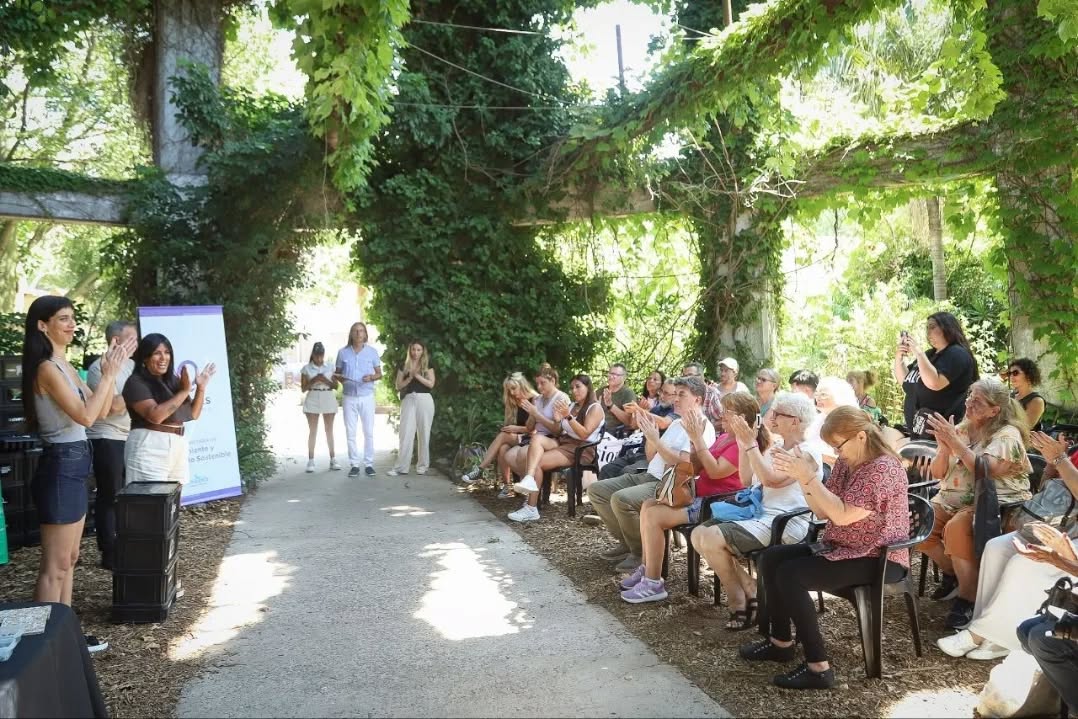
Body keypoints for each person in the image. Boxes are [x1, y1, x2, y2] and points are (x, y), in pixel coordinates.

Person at [739, 407, 910, 690]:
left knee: (791, 575)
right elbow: (821, 511)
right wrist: (805, 477)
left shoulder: (882, 468)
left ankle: (819, 667)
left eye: (838, 445)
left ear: (861, 436)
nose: (836, 452)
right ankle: (781, 643)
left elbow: (842, 515)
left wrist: (808, 478)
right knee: (771, 559)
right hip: (844, 546)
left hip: (878, 556)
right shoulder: (848, 461)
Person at [21, 296, 135, 655]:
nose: (71, 325)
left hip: (76, 461)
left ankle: (65, 635)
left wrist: (110, 378)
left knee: (69, 559)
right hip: (60, 464)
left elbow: (101, 410)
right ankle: (41, 648)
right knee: (54, 565)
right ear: (43, 325)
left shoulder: (65, 365)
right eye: (63, 319)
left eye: (72, 319)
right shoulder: (46, 369)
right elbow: (87, 416)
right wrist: (111, 376)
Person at [936, 431, 1078, 660]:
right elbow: (1051, 488)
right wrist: (1053, 463)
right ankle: (990, 632)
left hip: (1072, 539)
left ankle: (980, 635)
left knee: (1024, 561)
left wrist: (1061, 460)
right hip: (1062, 527)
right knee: (997, 547)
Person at [691, 391, 822, 629]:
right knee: (698, 534)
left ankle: (738, 603)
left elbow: (771, 480)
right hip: (762, 516)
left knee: (709, 537)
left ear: (795, 421)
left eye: (778, 414)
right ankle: (749, 588)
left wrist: (751, 445)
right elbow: (746, 480)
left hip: (788, 523)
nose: (772, 418)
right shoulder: (777, 447)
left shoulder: (809, 452)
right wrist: (743, 444)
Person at [920, 377, 1033, 629]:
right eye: (970, 395)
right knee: (915, 524)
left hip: (994, 502)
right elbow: (938, 473)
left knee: (957, 528)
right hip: (950, 499)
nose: (969, 403)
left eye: (978, 401)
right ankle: (955, 574)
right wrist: (942, 448)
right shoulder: (961, 428)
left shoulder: (1007, 434)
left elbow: (985, 469)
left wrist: (955, 443)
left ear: (995, 410)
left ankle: (968, 597)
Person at [618, 392, 752, 604]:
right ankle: (647, 568)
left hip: (716, 504)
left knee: (654, 516)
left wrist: (699, 439)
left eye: (728, 412)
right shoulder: (725, 437)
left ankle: (653, 583)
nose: (722, 416)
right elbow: (695, 466)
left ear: (742, 417)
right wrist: (692, 442)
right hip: (698, 495)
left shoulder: (740, 444)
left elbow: (716, 471)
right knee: (648, 505)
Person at [587, 376, 715, 572]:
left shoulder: (702, 427)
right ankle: (627, 543)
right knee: (597, 490)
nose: (676, 399)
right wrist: (650, 437)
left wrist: (658, 441)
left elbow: (684, 464)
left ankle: (639, 553)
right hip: (648, 474)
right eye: (676, 394)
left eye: (682, 395)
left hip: (668, 484)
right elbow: (651, 456)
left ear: (697, 399)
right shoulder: (676, 423)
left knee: (621, 499)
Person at [508, 373, 603, 522]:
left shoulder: (595, 408)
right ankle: (529, 481)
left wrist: (568, 416)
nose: (574, 390)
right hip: (564, 442)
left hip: (581, 449)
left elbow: (584, 434)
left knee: (537, 461)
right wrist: (559, 420)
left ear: (588, 387)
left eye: (578, 386)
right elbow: (559, 431)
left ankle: (531, 507)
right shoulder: (571, 406)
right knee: (537, 438)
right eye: (572, 387)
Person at [123, 333, 216, 484]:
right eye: (157, 353)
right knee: (149, 501)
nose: (163, 358)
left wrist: (201, 388)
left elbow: (193, 413)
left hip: (177, 444)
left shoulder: (172, 381)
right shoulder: (136, 382)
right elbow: (155, 416)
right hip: (149, 446)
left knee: (172, 503)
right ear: (145, 358)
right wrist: (184, 391)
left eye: (167, 353)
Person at [85, 320, 137, 570]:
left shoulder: (133, 367)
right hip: (106, 438)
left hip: (129, 438)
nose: (135, 345)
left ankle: (127, 546)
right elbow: (111, 408)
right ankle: (109, 553)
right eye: (130, 339)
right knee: (110, 495)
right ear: (115, 341)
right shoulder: (100, 369)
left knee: (128, 495)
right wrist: (139, 389)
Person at [894, 311, 978, 439]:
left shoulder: (957, 353)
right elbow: (906, 382)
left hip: (940, 433)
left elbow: (934, 383)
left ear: (947, 327)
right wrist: (899, 357)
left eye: (932, 327)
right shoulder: (929, 354)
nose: (928, 331)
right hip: (917, 429)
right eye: (927, 327)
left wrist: (918, 352)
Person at [460, 372, 539, 498]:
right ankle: (507, 486)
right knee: (502, 448)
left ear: (522, 384)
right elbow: (509, 424)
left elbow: (534, 429)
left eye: (514, 388)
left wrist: (515, 428)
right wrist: (509, 427)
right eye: (509, 390)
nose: (512, 393)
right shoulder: (512, 401)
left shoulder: (534, 399)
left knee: (503, 436)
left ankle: (480, 469)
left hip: (534, 438)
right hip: (518, 438)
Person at [502, 363, 569, 492]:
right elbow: (529, 427)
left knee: (523, 453)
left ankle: (532, 487)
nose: (539, 387)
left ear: (553, 381)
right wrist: (532, 415)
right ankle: (532, 485)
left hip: (555, 439)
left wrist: (536, 414)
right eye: (537, 383)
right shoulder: (537, 399)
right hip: (537, 438)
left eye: (542, 383)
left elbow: (557, 430)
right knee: (509, 455)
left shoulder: (561, 398)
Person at [334, 322, 383, 477]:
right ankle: (354, 464)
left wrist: (371, 377)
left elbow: (379, 373)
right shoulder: (342, 353)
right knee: (351, 432)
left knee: (368, 431)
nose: (358, 333)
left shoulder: (372, 352)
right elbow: (337, 374)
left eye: (361, 331)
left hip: (367, 396)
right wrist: (343, 379)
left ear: (365, 334)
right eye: (355, 331)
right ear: (351, 334)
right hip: (349, 397)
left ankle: (368, 464)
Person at [389, 341, 436, 477]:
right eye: (413, 349)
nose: (415, 352)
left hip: (425, 399)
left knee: (424, 433)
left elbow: (431, 384)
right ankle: (401, 467)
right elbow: (398, 385)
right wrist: (409, 377)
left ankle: (422, 466)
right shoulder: (403, 365)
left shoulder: (427, 365)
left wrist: (417, 376)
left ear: (423, 351)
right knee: (405, 433)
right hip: (409, 399)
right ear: (409, 351)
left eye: (418, 350)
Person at [300, 342, 340, 473]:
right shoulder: (306, 368)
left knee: (329, 430)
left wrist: (324, 379)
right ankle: (311, 461)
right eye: (317, 356)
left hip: (327, 396)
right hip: (313, 397)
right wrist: (314, 380)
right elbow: (303, 388)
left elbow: (336, 386)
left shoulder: (330, 367)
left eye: (321, 355)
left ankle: (333, 459)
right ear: (313, 355)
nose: (319, 358)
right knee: (313, 430)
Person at [1006, 358, 1045, 432]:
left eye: (1015, 373)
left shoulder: (1037, 401)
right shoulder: (1011, 395)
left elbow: (1024, 427)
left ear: (1028, 375)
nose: (1011, 377)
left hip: (1024, 441)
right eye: (1009, 373)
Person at [598, 363, 636, 435]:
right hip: (597, 431)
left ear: (624, 377)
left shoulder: (628, 393)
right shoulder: (600, 391)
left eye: (616, 375)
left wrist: (611, 405)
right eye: (611, 373)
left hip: (616, 434)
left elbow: (628, 421)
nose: (612, 376)